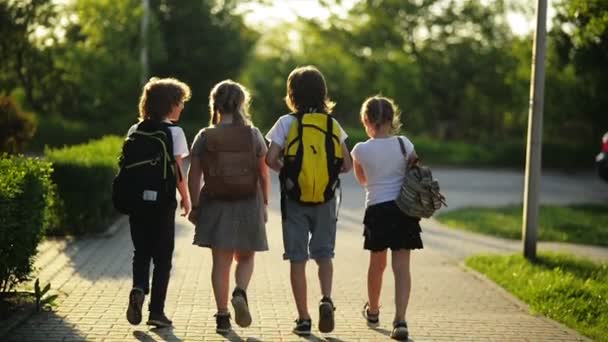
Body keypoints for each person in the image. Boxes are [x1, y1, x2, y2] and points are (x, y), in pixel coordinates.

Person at [265, 65, 352, 336]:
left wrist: (290, 173)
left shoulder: (285, 122)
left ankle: (303, 318)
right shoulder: (332, 124)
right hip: (326, 199)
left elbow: (269, 159)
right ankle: (326, 299)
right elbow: (347, 165)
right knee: (324, 254)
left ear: (292, 94)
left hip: (295, 200)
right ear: (323, 93)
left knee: (297, 258)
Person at [187, 80, 270, 334]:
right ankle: (240, 292)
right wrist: (265, 203)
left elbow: (194, 175)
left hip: (215, 203)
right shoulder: (253, 134)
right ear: (241, 104)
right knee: (245, 256)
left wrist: (195, 206)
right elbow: (263, 173)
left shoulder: (205, 135)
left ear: (215, 104)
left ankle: (222, 316)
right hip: (248, 201)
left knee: (220, 263)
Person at [350, 96, 423, 341]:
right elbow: (415, 172)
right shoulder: (405, 144)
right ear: (392, 120)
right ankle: (400, 321)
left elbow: (363, 182)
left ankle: (373, 311)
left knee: (377, 265)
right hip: (404, 209)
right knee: (401, 268)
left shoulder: (360, 150)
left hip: (377, 211)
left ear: (366, 120)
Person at [125, 77, 192, 328]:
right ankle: (156, 312)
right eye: (180, 102)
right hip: (162, 204)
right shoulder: (174, 132)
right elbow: (177, 171)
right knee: (163, 258)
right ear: (169, 105)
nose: (182, 107)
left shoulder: (135, 129)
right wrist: (186, 199)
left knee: (140, 252)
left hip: (136, 203)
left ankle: (139, 287)